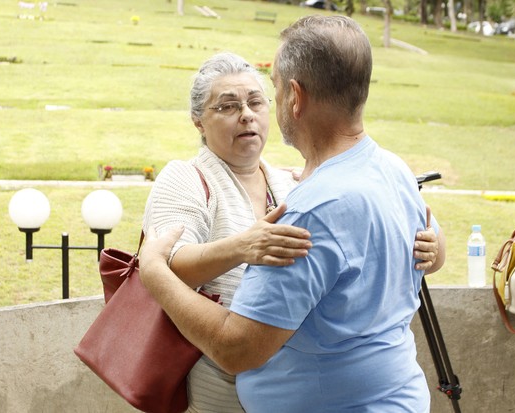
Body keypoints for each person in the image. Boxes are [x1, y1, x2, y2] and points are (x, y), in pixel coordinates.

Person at [142, 45, 444, 412]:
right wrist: (240, 247)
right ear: (198, 121)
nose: (246, 116)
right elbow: (170, 261)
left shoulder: (294, 182)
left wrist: (430, 245)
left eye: (256, 102)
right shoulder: (185, 179)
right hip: (215, 391)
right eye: (228, 106)